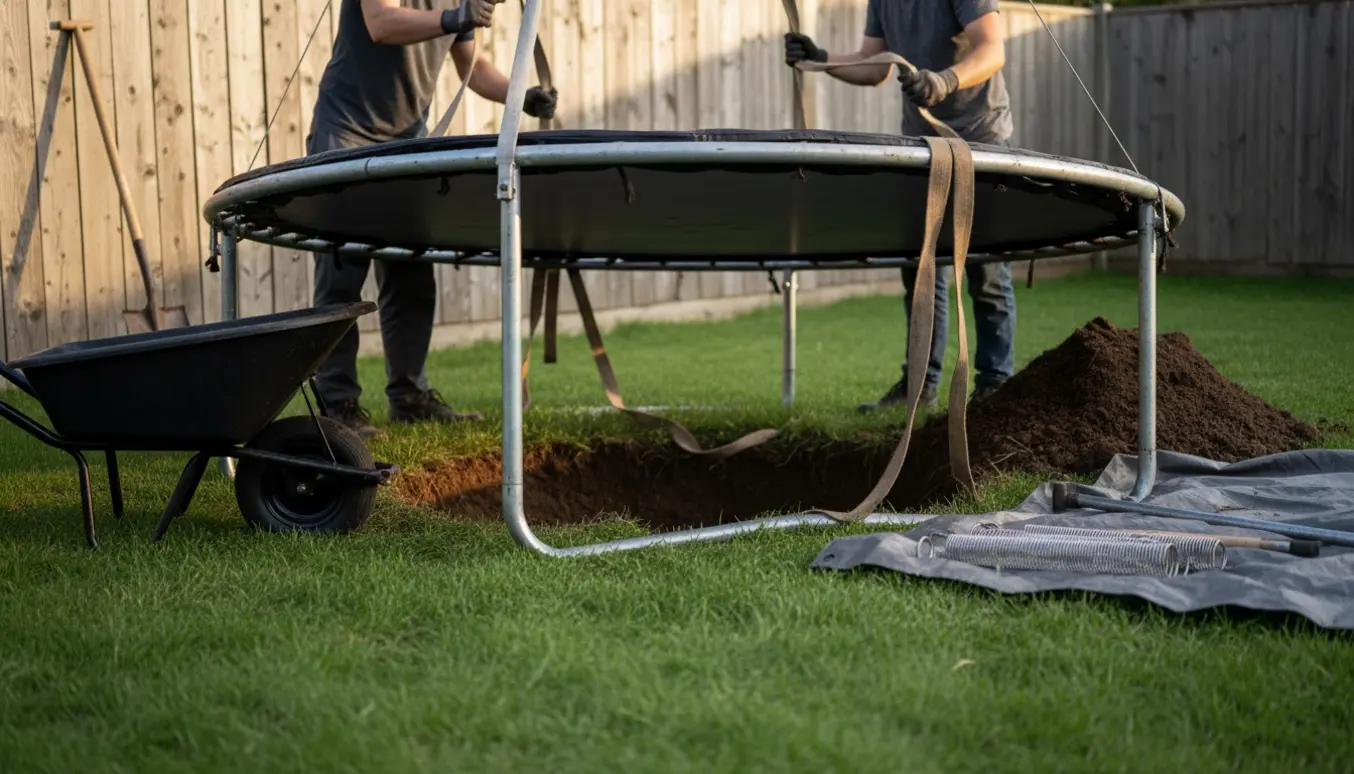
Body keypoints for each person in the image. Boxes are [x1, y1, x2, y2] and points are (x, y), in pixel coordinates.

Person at [307, 0, 559, 439]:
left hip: (406, 142)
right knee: (341, 274)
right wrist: (454, 17)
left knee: (411, 274)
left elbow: (473, 67)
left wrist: (520, 93)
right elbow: (380, 24)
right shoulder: (448, 8)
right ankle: (338, 404)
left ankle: (410, 398)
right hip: (345, 132)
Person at [783, 0, 1017, 414]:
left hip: (982, 143)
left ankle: (995, 388)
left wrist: (944, 81)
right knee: (922, 271)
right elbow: (874, 67)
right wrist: (820, 59)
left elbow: (992, 50)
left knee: (987, 271)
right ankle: (919, 388)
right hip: (923, 148)